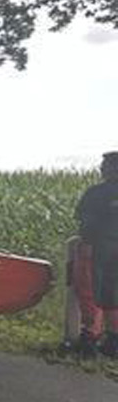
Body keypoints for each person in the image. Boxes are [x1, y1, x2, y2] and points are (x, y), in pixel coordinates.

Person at [75, 151, 118, 357]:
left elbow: (87, 222)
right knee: (113, 293)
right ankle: (113, 341)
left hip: (98, 248)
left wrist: (87, 243)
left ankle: (89, 339)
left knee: (90, 289)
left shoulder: (96, 193)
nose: (101, 168)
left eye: (105, 165)